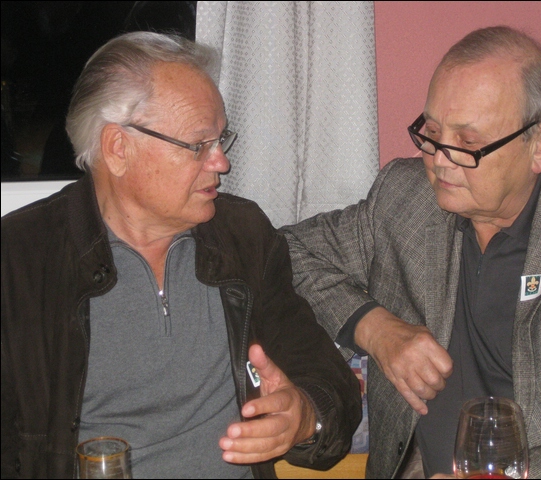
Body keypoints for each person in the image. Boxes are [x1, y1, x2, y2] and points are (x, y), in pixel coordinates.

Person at [281, 26, 541, 479]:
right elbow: (286, 251)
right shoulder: (404, 197)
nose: (439, 160)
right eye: (431, 132)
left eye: (468, 143)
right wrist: (375, 328)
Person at [1, 31, 361, 479]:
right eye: (198, 145)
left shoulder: (242, 236)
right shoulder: (19, 262)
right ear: (118, 148)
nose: (222, 163)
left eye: (221, 140)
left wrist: (305, 416)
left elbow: (328, 379)